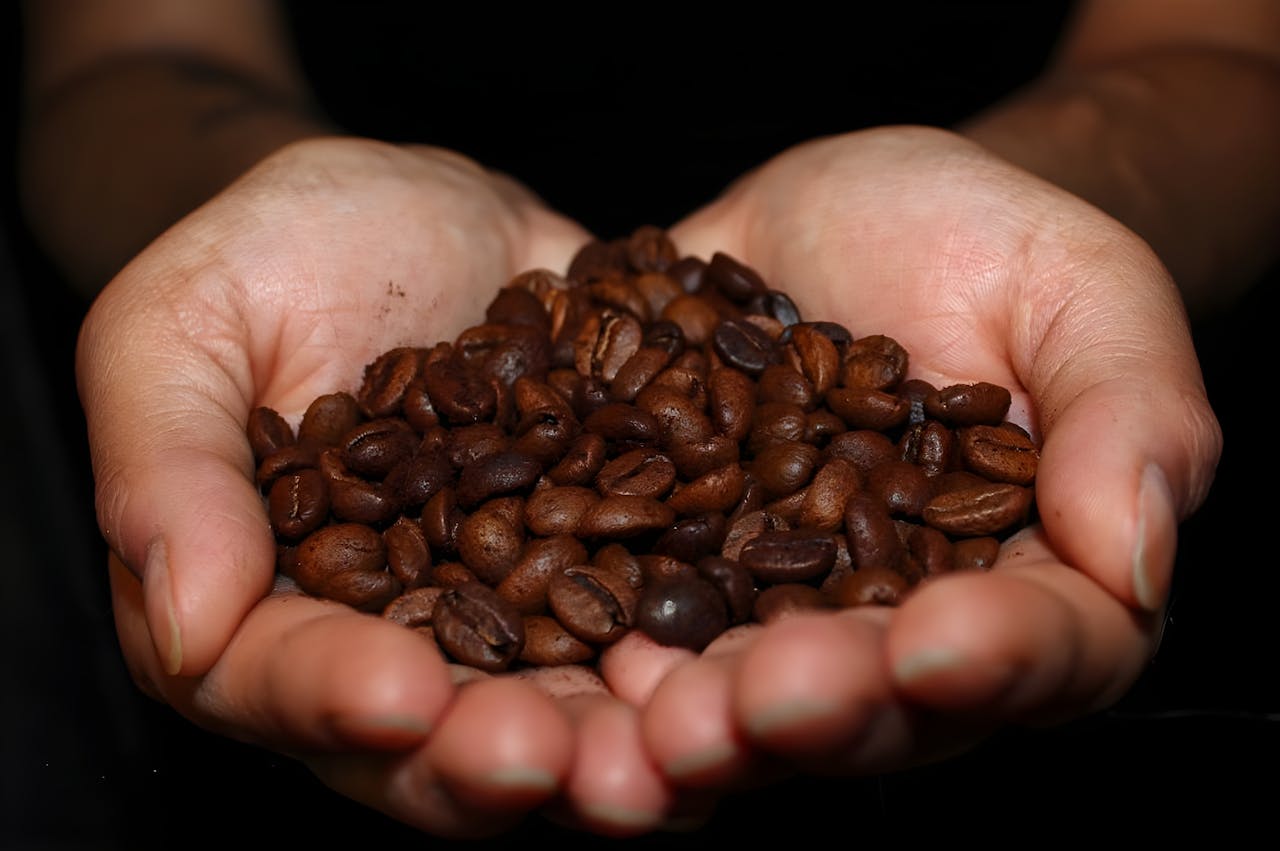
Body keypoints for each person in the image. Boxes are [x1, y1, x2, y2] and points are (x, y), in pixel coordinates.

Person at [13, 0, 1278, 840]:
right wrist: (226, 225)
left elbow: (1227, 59)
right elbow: (126, 64)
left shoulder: (789, 429)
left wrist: (1056, 200)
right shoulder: (480, 438)